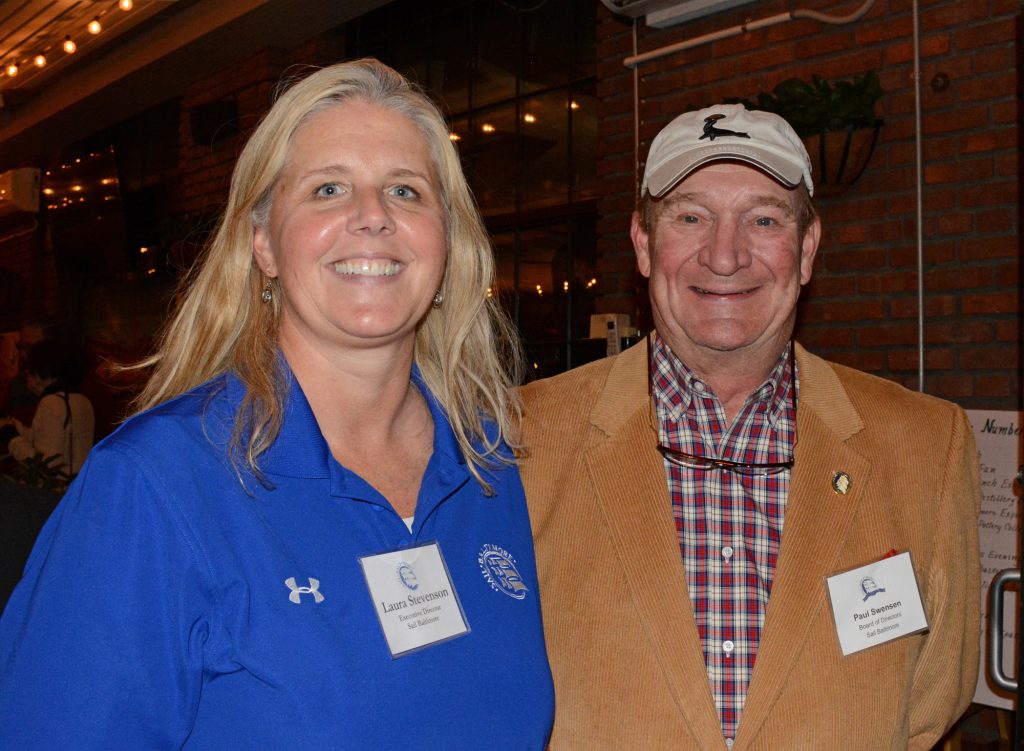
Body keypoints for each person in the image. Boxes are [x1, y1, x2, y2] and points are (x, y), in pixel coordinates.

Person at [0, 59, 553, 749]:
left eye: (405, 190)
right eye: (329, 188)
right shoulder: (156, 484)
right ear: (263, 242)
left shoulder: (488, 466)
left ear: (447, 241)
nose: (374, 216)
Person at [519, 104, 981, 750]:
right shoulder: (520, 442)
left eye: (763, 219)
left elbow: (930, 702)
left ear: (807, 249)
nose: (725, 255)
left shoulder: (928, 448)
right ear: (644, 244)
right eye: (691, 217)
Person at [1, 337, 95, 477]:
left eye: (31, 371)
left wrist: (11, 438)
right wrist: (15, 427)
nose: (27, 376)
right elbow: (53, 442)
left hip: (55, 488)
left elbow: (46, 466)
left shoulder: (52, 402)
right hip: (76, 485)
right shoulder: (83, 401)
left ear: (44, 373)